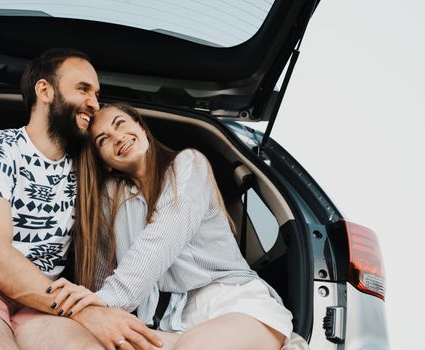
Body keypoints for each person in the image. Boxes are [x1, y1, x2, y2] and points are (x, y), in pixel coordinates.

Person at [0, 50, 162, 350]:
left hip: (39, 306)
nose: (94, 103)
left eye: (97, 93)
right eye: (83, 89)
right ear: (45, 90)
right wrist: (86, 312)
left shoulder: (86, 172)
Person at [48, 103, 295, 350]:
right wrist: (94, 308)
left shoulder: (188, 164)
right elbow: (103, 274)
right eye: (103, 140)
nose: (117, 137)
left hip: (232, 302)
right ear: (105, 164)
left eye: (120, 123)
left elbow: (161, 238)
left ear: (142, 129)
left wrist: (107, 299)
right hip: (173, 322)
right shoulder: (113, 203)